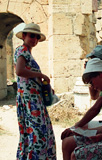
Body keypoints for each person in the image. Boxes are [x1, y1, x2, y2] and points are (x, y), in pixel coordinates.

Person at [14, 23, 56, 159]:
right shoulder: (22, 50)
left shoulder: (27, 52)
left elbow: (27, 76)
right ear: (24, 36)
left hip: (33, 98)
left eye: (37, 37)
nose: (34, 40)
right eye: (32, 36)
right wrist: (40, 75)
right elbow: (20, 71)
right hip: (29, 99)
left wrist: (45, 86)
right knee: (37, 132)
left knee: (36, 132)